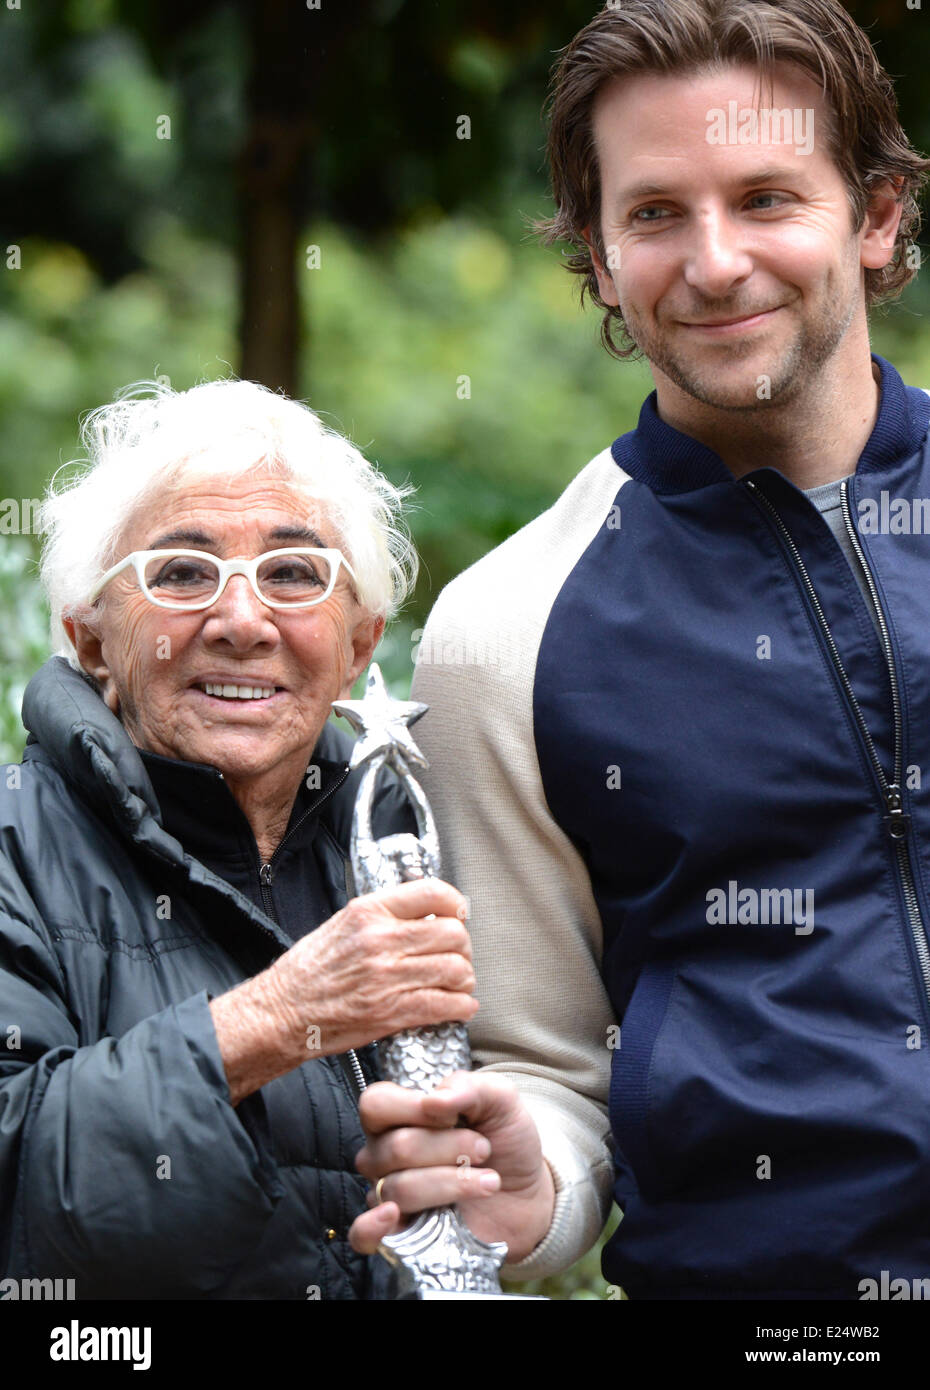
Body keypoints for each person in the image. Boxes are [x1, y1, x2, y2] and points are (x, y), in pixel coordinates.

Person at [348, 0, 930, 1299]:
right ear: (600, 258)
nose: (713, 263)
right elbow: (545, 1063)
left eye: (767, 197)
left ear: (876, 215)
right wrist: (528, 1189)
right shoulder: (503, 632)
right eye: (656, 212)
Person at [0, 377, 480, 1300]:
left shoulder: (420, 837)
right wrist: (271, 1020)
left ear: (359, 646)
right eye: (181, 573)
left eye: (293, 574)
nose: (241, 621)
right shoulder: (16, 848)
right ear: (91, 641)